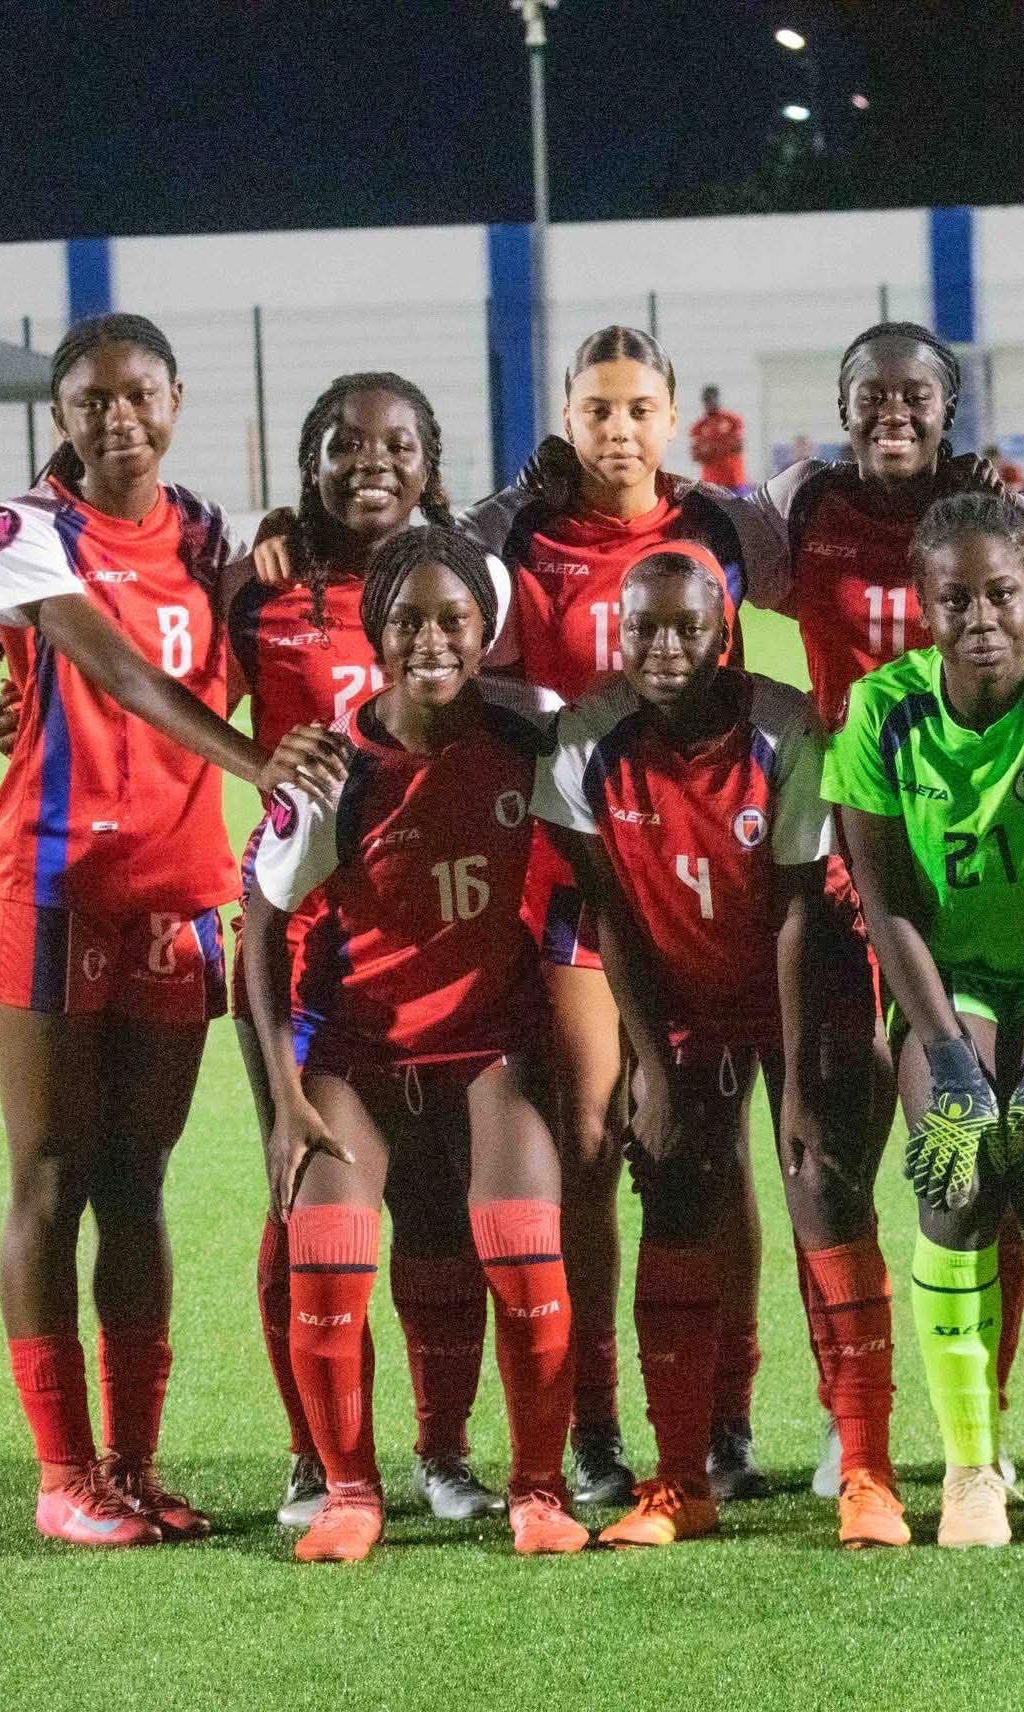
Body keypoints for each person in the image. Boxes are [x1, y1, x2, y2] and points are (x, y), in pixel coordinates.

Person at [256, 325, 774, 1507]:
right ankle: (579, 1431)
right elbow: (420, 562)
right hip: (559, 896)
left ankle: (723, 1418)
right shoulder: (514, 527)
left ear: (671, 412)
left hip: (701, 869)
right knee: (574, 1151)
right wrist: (294, 539)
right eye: (596, 408)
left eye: (638, 407)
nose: (617, 428)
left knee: (715, 1143)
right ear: (568, 414)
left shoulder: (732, 527)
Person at [0, 313, 347, 1548]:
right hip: (56, 884)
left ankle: (130, 1465)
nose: (116, 416)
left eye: (138, 395)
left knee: (139, 1182)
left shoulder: (210, 534)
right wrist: (257, 765)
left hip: (178, 892)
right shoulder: (22, 530)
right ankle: (61, 1473)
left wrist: (282, 548)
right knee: (51, 1176)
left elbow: (259, 638)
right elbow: (119, 672)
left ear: (175, 399)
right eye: (90, 399)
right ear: (60, 413)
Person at [535, 542, 909, 1549]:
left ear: (724, 630)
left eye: (685, 627)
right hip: (677, 990)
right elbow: (608, 910)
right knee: (675, 1185)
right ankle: (676, 1480)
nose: (662, 647)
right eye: (642, 628)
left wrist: (792, 1078)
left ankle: (866, 1468)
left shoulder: (783, 728)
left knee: (819, 1181)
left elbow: (798, 910)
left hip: (801, 981)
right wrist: (652, 1065)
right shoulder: (583, 739)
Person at [245, 526, 585, 1562]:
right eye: (409, 620)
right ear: (375, 634)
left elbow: (594, 869)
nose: (432, 639)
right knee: (330, 1261)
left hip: (493, 1037)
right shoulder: (333, 766)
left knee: (526, 1248)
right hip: (358, 1046)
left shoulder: (533, 732)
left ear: (486, 633)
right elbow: (258, 927)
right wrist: (285, 1090)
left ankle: (535, 1486)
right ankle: (350, 1490)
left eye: (454, 620)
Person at [825, 492, 1024, 1549]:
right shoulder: (880, 711)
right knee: (955, 1173)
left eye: (1001, 593)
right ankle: (971, 1468)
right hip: (946, 982)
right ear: (921, 606)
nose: (979, 615)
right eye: (954, 596)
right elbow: (886, 905)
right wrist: (947, 1057)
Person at [743, 320, 1013, 1496]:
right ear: (841, 404)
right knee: (827, 1145)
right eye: (870, 394)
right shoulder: (798, 507)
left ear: (948, 406)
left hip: (970, 866)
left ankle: (982, 1415)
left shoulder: (991, 511)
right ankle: (842, 1413)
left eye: (915, 395)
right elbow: (675, 540)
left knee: (977, 1145)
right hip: (843, 862)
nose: (892, 413)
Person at [689, 384, 747, 489]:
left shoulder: (732, 420)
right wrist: (720, 446)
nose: (710, 402)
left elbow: (738, 446)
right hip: (711, 482)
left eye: (713, 398)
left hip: (733, 480)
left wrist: (713, 448)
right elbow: (696, 455)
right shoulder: (699, 426)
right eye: (707, 399)